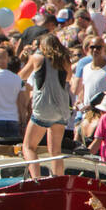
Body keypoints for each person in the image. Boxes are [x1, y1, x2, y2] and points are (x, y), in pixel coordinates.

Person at [18, 34, 73, 179]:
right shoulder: (65, 61)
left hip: (43, 108)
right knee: (55, 151)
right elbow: (68, 78)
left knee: (28, 147)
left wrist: (27, 58)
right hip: (61, 109)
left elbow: (21, 76)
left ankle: (36, 179)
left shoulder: (37, 58)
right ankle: (59, 180)